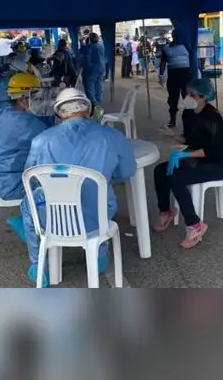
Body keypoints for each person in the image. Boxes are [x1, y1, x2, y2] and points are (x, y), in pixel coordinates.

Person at [22, 88, 137, 286]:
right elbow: (126, 171)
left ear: (59, 114)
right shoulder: (112, 136)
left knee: (28, 205)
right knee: (101, 199)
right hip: (96, 219)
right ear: (89, 110)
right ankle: (99, 258)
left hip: (52, 219)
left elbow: (31, 178)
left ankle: (40, 266)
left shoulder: (41, 140)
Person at [152, 78, 223, 248]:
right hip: (195, 159)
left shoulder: (212, 118)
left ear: (203, 97)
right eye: (187, 93)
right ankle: (166, 211)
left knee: (176, 178)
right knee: (160, 171)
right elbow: (189, 138)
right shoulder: (188, 113)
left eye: (192, 95)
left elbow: (212, 151)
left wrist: (185, 154)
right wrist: (172, 134)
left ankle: (195, 225)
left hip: (215, 164)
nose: (187, 97)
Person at [0, 72, 49, 241]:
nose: (38, 100)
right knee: (57, 183)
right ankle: (33, 225)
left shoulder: (2, 114)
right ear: (22, 99)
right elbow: (51, 141)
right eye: (35, 96)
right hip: (14, 185)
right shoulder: (29, 123)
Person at [159, 30, 192, 129]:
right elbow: (163, 62)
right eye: (175, 35)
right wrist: (161, 75)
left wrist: (161, 75)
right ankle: (173, 120)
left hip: (182, 75)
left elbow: (162, 63)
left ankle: (188, 120)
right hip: (178, 76)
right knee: (174, 99)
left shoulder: (187, 46)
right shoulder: (168, 48)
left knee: (185, 98)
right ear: (172, 36)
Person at [80, 32, 106, 105]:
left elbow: (81, 56)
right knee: (99, 83)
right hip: (101, 68)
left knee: (89, 85)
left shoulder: (88, 47)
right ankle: (98, 99)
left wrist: (81, 41)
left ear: (90, 39)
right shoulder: (102, 46)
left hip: (90, 69)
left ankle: (93, 102)